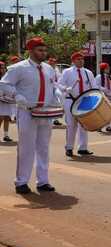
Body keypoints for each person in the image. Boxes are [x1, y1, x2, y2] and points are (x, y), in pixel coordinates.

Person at [0, 37, 60, 194]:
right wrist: (16, 95)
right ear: (31, 51)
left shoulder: (48, 69)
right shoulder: (18, 68)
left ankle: (43, 181)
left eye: (45, 50)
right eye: (40, 50)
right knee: (26, 148)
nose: (43, 53)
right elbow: (4, 84)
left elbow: (53, 85)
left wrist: (57, 94)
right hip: (27, 112)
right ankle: (21, 181)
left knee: (44, 148)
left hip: (46, 112)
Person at [59, 51, 97, 157]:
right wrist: (66, 89)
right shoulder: (67, 72)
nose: (81, 61)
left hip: (84, 101)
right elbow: (59, 84)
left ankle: (83, 148)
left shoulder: (88, 73)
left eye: (82, 59)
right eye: (78, 59)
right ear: (73, 61)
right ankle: (69, 148)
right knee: (71, 125)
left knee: (84, 125)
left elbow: (94, 87)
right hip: (70, 100)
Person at [95, 62, 111, 132]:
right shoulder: (99, 77)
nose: (109, 69)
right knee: (102, 112)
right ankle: (99, 126)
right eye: (107, 68)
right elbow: (96, 86)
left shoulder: (109, 77)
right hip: (103, 96)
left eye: (108, 68)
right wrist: (104, 89)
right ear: (103, 69)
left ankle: (108, 126)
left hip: (110, 96)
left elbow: (110, 86)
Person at [0, 61, 16, 142]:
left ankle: (6, 135)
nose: (2, 69)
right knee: (0, 118)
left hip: (7, 101)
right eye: (1, 68)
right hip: (0, 101)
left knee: (7, 117)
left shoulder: (7, 77)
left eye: (3, 68)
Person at [47, 57, 63, 126]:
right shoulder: (46, 69)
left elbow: (59, 78)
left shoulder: (56, 69)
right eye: (52, 62)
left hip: (56, 87)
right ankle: (50, 119)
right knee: (49, 104)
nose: (53, 63)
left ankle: (55, 119)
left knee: (57, 102)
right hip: (48, 88)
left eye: (54, 62)